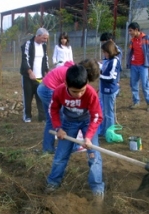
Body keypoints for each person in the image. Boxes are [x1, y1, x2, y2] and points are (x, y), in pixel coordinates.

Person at [44, 65, 104, 204]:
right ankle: (53, 182)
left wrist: (88, 136)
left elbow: (97, 116)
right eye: (75, 92)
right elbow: (53, 109)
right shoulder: (59, 91)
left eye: (82, 91)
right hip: (69, 122)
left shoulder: (90, 93)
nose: (79, 95)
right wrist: (58, 128)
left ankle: (97, 189)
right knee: (61, 155)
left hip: (87, 122)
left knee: (93, 156)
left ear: (87, 84)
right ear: (66, 84)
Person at [37, 59, 100, 154]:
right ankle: (73, 146)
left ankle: (48, 149)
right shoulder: (71, 76)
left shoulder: (72, 71)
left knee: (51, 119)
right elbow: (69, 96)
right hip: (49, 89)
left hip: (43, 87)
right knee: (63, 117)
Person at [20, 28, 49, 123]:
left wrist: (46, 71)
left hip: (40, 77)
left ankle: (42, 117)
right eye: (44, 38)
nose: (45, 40)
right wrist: (29, 72)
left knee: (40, 96)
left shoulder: (44, 46)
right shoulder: (28, 44)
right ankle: (27, 116)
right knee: (27, 97)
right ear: (38, 36)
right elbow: (25, 59)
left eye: (46, 39)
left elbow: (46, 59)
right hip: (28, 77)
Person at [127, 22, 149, 111]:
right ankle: (136, 102)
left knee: (145, 85)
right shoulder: (132, 40)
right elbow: (130, 52)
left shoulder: (146, 38)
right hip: (134, 65)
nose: (129, 33)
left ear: (136, 30)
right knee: (134, 84)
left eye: (131, 31)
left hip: (143, 66)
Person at [99, 40, 121, 137]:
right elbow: (103, 71)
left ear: (110, 51)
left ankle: (110, 132)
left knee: (109, 112)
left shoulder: (115, 61)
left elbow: (111, 77)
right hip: (104, 89)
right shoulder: (106, 60)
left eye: (105, 52)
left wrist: (99, 76)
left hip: (110, 90)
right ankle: (104, 131)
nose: (104, 54)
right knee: (104, 111)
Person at [100, 32, 123, 97]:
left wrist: (117, 81)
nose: (103, 44)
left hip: (112, 75)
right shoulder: (107, 49)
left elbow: (116, 66)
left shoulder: (117, 50)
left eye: (104, 42)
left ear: (110, 40)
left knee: (111, 95)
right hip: (105, 74)